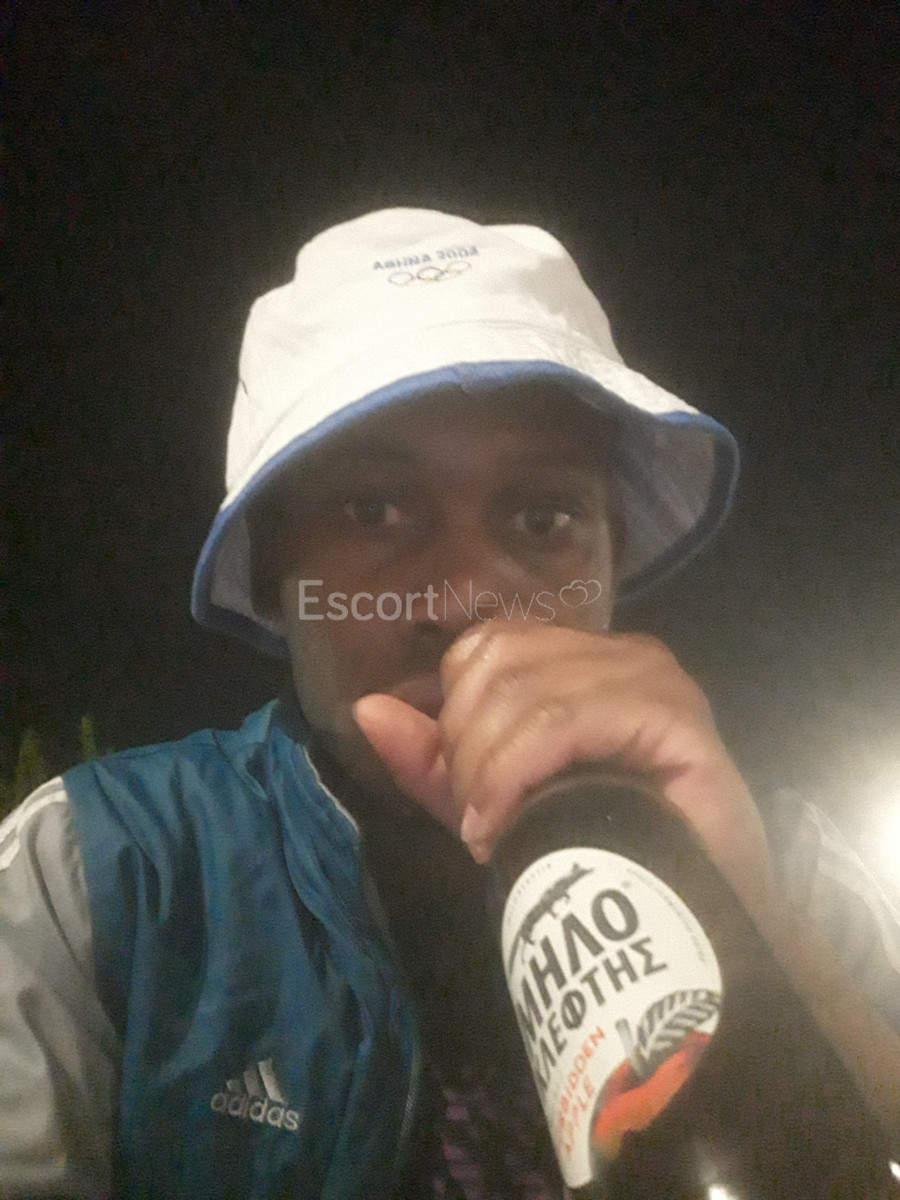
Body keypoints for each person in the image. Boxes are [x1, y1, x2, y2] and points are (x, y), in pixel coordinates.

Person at [2, 207, 899, 1199]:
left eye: (543, 516)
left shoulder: (784, 867)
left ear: (611, 565)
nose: (467, 598)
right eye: (375, 510)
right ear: (270, 570)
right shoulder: (96, 875)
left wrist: (764, 938)